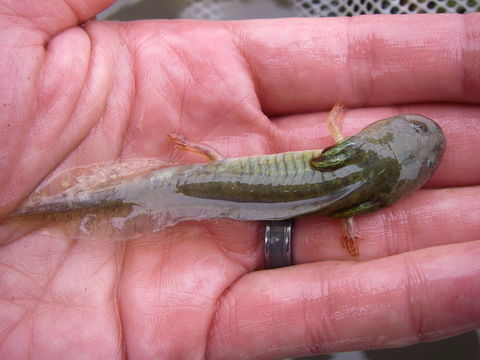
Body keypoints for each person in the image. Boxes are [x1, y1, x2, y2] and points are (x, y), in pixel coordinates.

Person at [0, 1, 479, 358]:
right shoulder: (351, 199)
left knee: (188, 183)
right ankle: (32, 211)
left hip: (212, 176)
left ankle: (36, 211)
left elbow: (335, 126)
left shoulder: (340, 144)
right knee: (179, 188)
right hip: (218, 185)